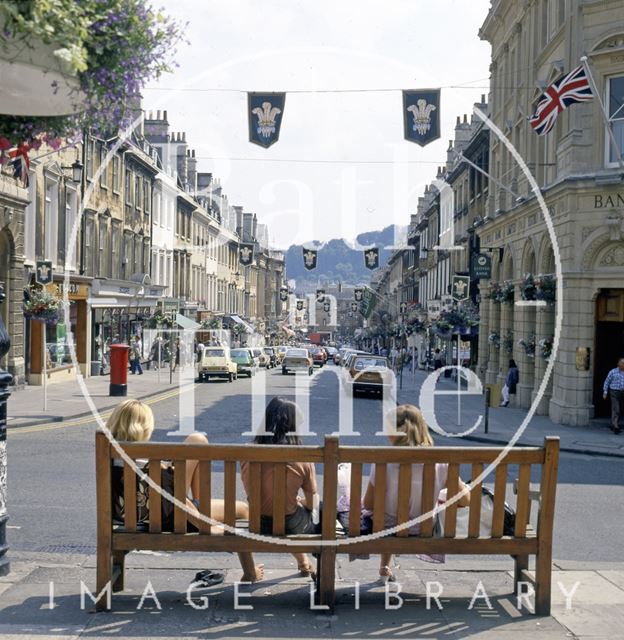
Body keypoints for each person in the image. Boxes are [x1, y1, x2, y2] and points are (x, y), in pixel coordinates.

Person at [106, 399, 263, 583]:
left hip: (131, 518)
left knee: (197, 442)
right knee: (242, 510)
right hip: (173, 519)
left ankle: (200, 504)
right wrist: (209, 527)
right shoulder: (153, 466)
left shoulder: (110, 455)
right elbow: (179, 501)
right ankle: (250, 572)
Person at [363, 404, 470, 582]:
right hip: (424, 527)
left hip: (387, 527)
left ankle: (384, 566)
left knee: (385, 512)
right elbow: (465, 500)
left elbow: (368, 504)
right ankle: (385, 566)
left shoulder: (383, 461)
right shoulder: (441, 462)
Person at [240, 397, 318, 579]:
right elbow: (313, 503)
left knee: (281, 511)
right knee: (317, 513)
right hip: (289, 523)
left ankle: (303, 562)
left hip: (257, 522)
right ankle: (319, 570)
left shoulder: (246, 452)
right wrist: (301, 502)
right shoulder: (302, 457)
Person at [603, 357, 624, 434]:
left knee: (618, 409)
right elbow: (607, 382)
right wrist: (605, 392)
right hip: (614, 392)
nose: (623, 364)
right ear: (618, 364)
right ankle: (616, 426)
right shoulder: (613, 372)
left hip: (622, 392)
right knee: (616, 409)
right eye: (622, 363)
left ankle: (613, 424)